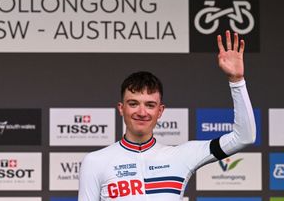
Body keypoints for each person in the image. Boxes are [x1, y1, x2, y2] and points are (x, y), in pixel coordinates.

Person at [78, 30, 256, 201]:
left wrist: (237, 81)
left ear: (160, 111)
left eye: (150, 105)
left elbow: (244, 138)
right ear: (121, 108)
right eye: (133, 104)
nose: (141, 112)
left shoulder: (181, 155)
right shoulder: (95, 161)